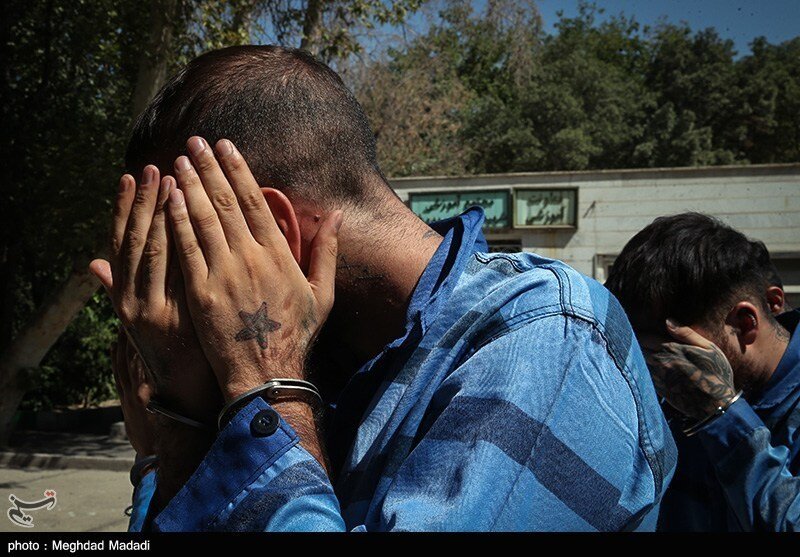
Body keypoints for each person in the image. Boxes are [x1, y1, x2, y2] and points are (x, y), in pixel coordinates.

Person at [89, 45, 675, 532]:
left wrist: (268, 381)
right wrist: (180, 425)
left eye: (173, 269)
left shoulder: (546, 340)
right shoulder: (338, 367)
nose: (160, 314)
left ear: (274, 234)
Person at [604, 212, 800, 531]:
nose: (661, 376)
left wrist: (721, 416)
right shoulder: (676, 397)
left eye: (672, 354)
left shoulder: (700, 399)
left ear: (744, 323)